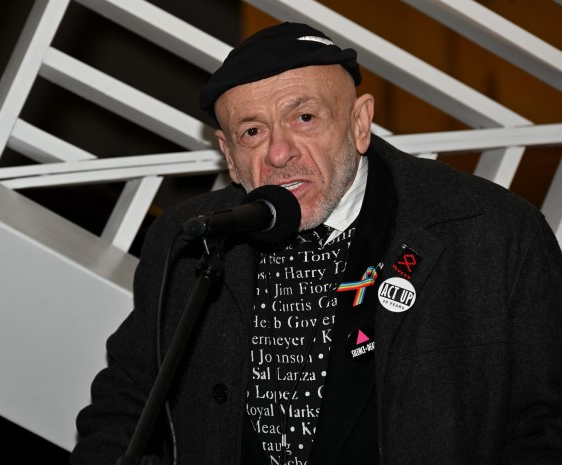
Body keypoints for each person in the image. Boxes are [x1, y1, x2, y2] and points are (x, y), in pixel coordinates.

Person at [70, 22, 562, 465]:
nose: (279, 153)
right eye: (253, 131)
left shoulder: (492, 232)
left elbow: (546, 425)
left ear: (359, 122)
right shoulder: (190, 238)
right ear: (229, 156)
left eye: (304, 118)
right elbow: (128, 402)